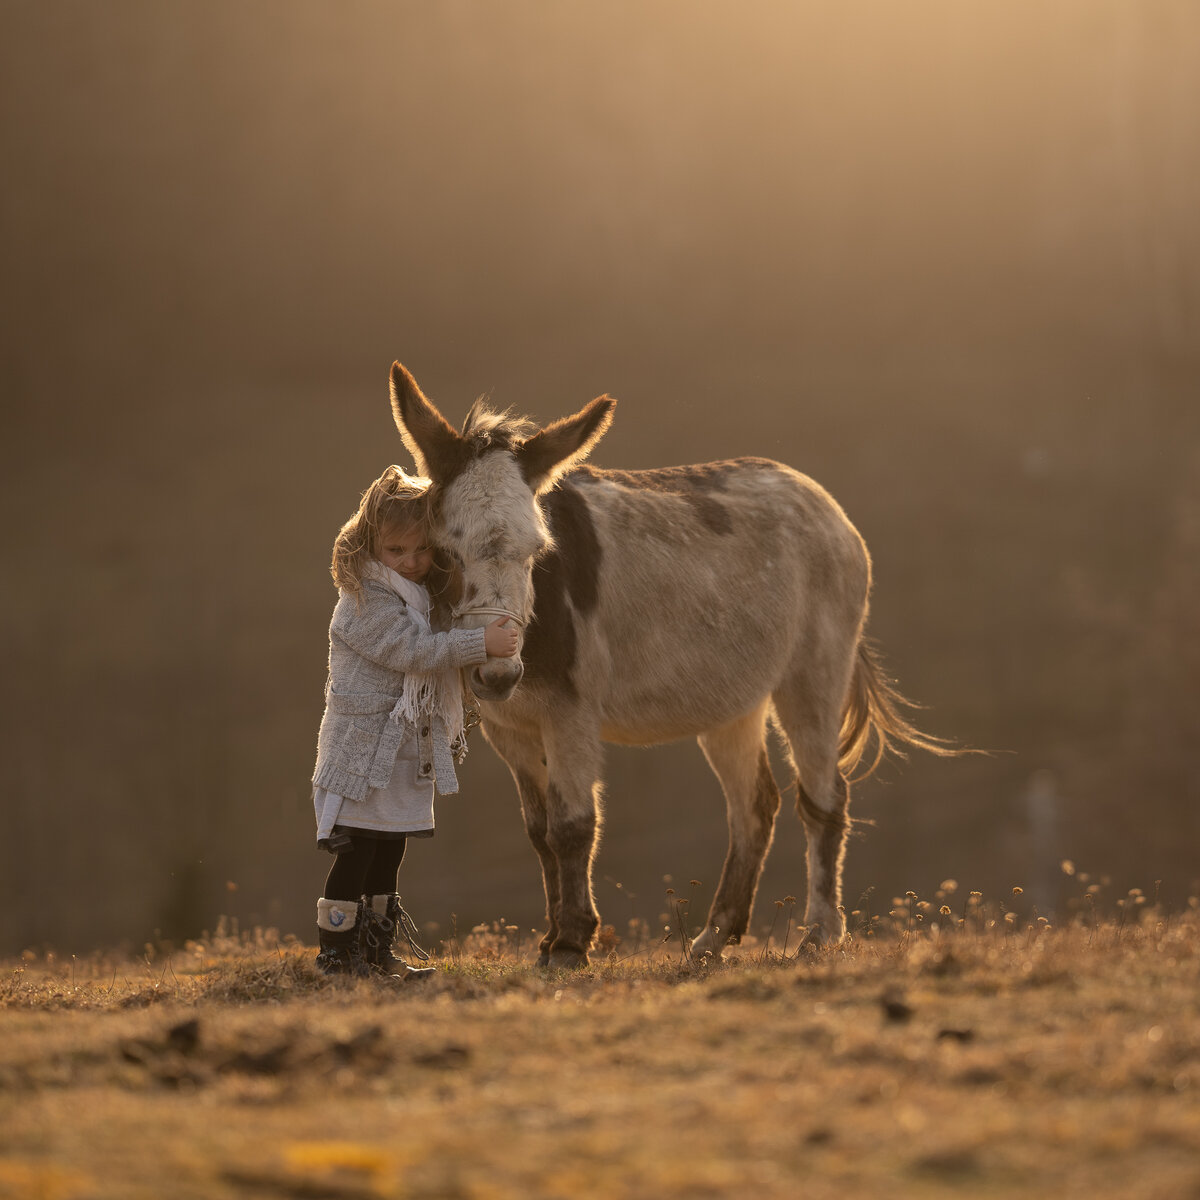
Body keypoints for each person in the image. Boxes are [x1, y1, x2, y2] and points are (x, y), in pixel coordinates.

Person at [310, 466, 519, 979]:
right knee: (356, 855)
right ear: (369, 545)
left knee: (389, 855)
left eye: (422, 549)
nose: (411, 561)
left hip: (400, 755)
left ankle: (377, 954)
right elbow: (411, 651)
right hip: (361, 758)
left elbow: (433, 636)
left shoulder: (420, 598)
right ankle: (336, 957)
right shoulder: (363, 600)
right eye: (396, 550)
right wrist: (479, 643)